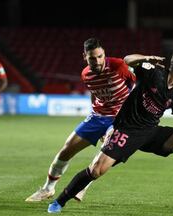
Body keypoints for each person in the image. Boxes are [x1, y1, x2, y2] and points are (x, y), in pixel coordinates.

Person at [47, 47, 173, 213]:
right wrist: (146, 58)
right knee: (96, 170)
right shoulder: (154, 73)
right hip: (126, 130)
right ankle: (59, 202)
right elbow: (127, 60)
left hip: (150, 131)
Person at [25, 38, 137, 202]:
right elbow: (94, 92)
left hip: (120, 118)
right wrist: (95, 111)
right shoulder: (85, 74)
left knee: (105, 150)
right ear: (84, 56)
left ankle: (83, 186)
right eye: (92, 58)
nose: (97, 61)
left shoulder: (117, 65)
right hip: (98, 116)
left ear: (104, 53)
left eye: (100, 56)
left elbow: (132, 83)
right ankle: (47, 189)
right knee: (66, 150)